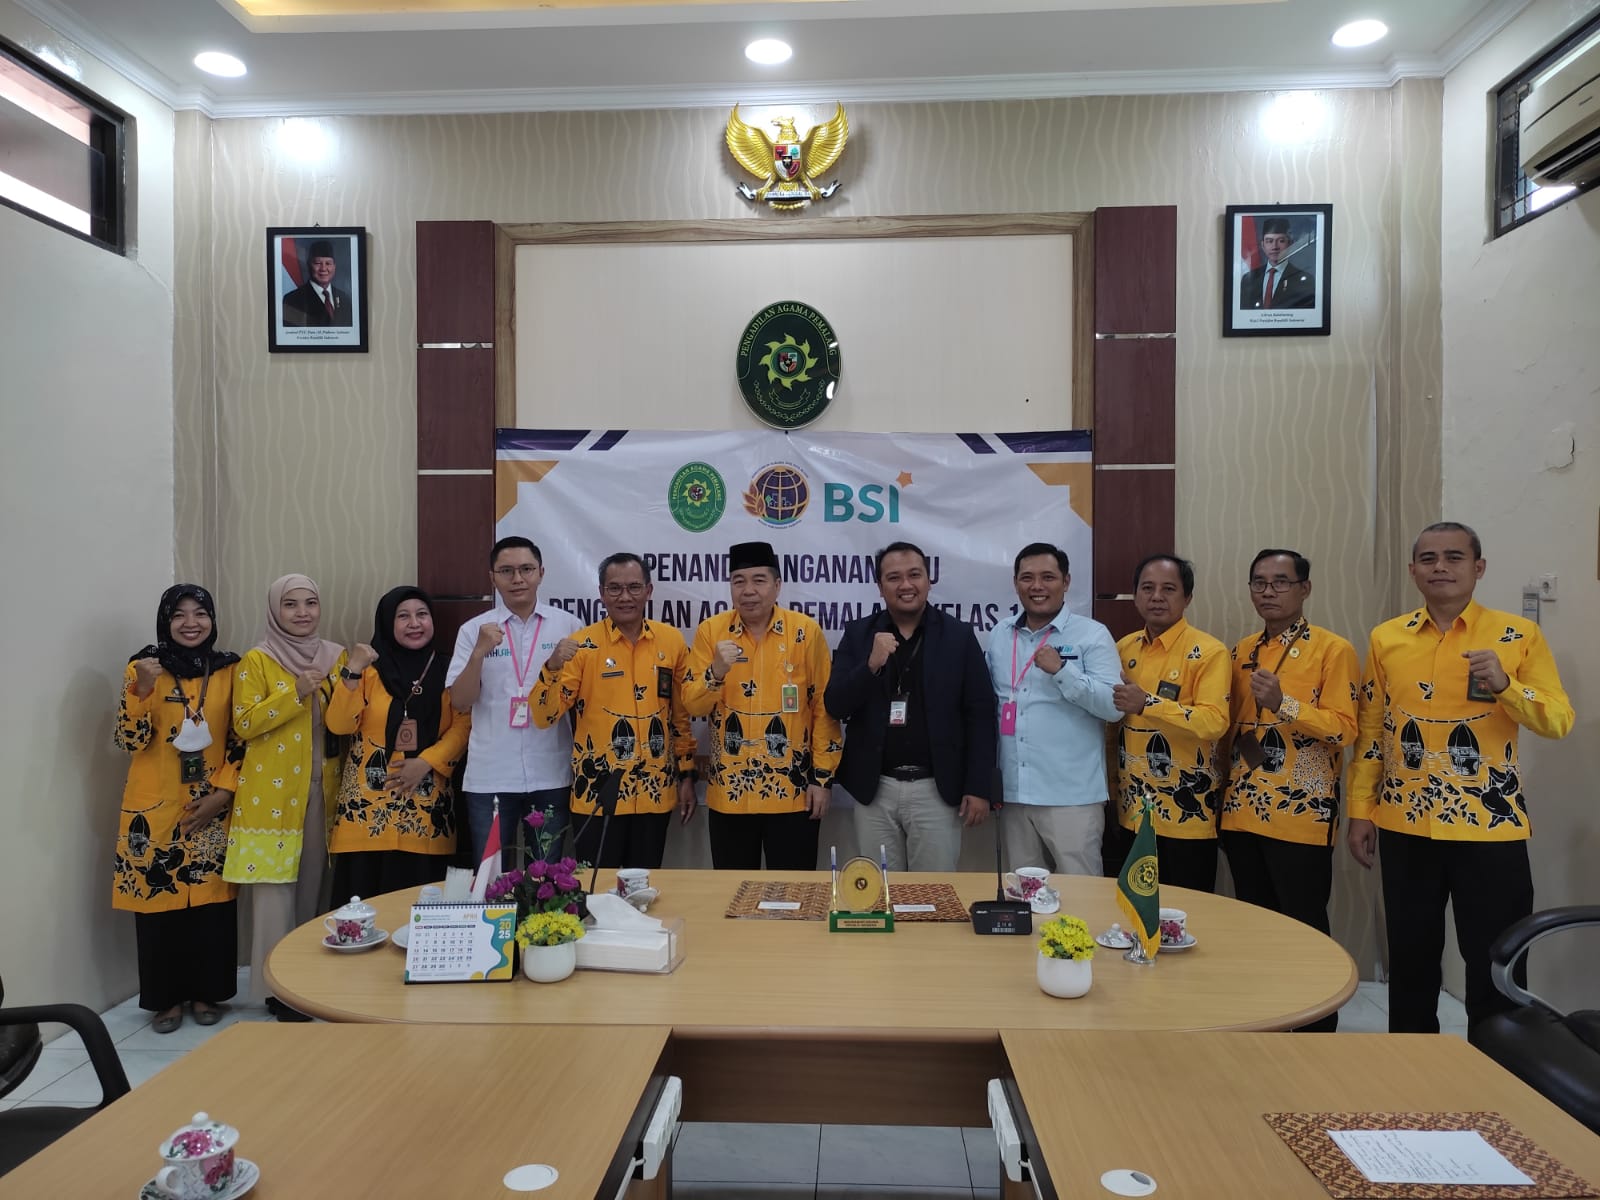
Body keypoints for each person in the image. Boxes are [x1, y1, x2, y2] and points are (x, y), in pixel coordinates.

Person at [1348, 522, 1573, 1042]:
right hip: (1405, 824)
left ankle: (1496, 1067)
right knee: (1411, 959)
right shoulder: (1387, 637)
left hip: (1489, 827)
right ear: (1413, 571)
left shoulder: (1517, 636)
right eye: (1428, 559)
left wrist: (1507, 686)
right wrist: (1361, 809)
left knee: (1496, 962)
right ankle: (1414, 1064)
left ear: (1479, 567)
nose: (1440, 567)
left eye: (1454, 557)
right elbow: (1372, 730)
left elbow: (1558, 720)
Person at [1220, 550, 1358, 1031]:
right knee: (1254, 927)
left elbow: (1344, 729)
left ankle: (1315, 1030)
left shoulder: (1333, 650)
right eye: (1259, 583)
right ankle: (1265, 1021)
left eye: (1281, 582)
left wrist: (1285, 703)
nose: (1268, 592)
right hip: (1241, 810)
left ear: (1305, 589)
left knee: (1303, 929)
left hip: (1301, 816)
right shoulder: (1241, 650)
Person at [113, 585, 244, 1034]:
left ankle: (208, 991)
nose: (191, 623)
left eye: (200, 613)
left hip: (212, 801)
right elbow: (128, 741)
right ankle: (164, 999)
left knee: (211, 905)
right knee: (158, 902)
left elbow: (242, 739)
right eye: (179, 615)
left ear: (212, 620)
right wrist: (142, 689)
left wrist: (223, 794)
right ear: (165, 621)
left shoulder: (230, 669)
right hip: (154, 806)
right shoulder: (142, 667)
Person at [826, 541, 996, 871]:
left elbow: (980, 715)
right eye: (894, 578)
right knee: (880, 890)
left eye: (914, 575)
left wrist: (979, 787)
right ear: (880, 587)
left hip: (936, 789)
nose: (906, 585)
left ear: (929, 580)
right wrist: (870, 666)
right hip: (875, 789)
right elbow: (835, 705)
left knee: (933, 891)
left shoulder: (958, 636)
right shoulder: (859, 634)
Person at [225, 574, 347, 1020]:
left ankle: (308, 983)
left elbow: (345, 717)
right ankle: (276, 990)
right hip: (271, 794)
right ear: (275, 610)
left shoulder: (336, 657)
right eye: (290, 604)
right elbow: (244, 723)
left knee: (315, 887)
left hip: (323, 787)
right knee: (274, 895)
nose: (302, 613)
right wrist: (294, 692)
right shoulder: (258, 660)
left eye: (310, 603)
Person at [531, 553, 697, 869]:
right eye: (615, 588)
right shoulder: (582, 646)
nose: (625, 597)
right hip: (598, 795)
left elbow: (680, 717)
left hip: (653, 792)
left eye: (634, 587)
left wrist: (687, 773)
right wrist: (552, 667)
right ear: (602, 593)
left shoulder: (671, 641)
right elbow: (544, 716)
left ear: (648, 591)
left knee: (643, 887)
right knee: (598, 888)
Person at [683, 541, 842, 871]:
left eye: (759, 580)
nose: (748, 591)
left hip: (793, 794)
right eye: (738, 581)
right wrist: (716, 672)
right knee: (733, 893)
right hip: (730, 796)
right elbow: (692, 704)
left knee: (793, 893)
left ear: (777, 585)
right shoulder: (712, 632)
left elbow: (823, 707)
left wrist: (822, 779)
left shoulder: (804, 632)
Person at [982, 543, 1120, 876]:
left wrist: (1063, 671)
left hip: (1071, 795)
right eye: (1027, 578)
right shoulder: (1001, 634)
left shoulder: (1092, 634)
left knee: (1082, 893)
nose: (1037, 586)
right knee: (1023, 892)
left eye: (1048, 577)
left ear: (1066, 581)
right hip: (1014, 792)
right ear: (1016, 583)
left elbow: (1113, 707)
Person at [447, 536, 583, 868]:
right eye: (506, 571)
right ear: (492, 577)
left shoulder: (568, 626)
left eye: (526, 569)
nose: (517, 579)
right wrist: (479, 653)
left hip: (550, 771)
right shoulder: (473, 631)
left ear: (541, 573)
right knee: (491, 879)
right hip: (491, 775)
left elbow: (580, 700)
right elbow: (460, 702)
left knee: (546, 879)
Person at [326, 586, 469, 899]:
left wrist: (426, 762)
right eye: (403, 616)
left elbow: (463, 725)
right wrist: (353, 668)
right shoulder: (366, 672)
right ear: (387, 622)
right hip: (365, 818)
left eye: (422, 615)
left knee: (418, 911)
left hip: (425, 812)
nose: (414, 623)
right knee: (363, 913)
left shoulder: (449, 670)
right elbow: (339, 724)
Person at [1109, 554, 1230, 892]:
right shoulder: (1122, 649)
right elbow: (1111, 727)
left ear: (1187, 597)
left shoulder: (1209, 652)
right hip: (1132, 812)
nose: (1157, 597)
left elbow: (1214, 721)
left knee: (1187, 914)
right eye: (1147, 588)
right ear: (1136, 595)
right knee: (1133, 911)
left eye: (1169, 589)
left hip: (1187, 818)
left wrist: (1148, 704)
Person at [1239, 217, 1315, 309]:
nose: (1274, 247)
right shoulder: (1248, 280)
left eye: (1281, 241)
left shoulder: (1305, 280)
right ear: (1263, 245)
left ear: (1290, 243)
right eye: (1269, 241)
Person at [282, 240, 353, 327]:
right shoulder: (292, 300)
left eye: (328, 263)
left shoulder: (344, 299)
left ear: (334, 266)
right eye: (318, 263)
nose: (323, 268)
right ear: (309, 265)